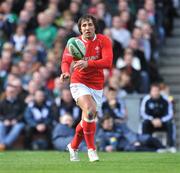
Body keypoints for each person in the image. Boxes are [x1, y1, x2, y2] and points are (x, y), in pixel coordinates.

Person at [60, 14, 113, 162]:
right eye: (84, 25)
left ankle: (73, 146)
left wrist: (87, 63)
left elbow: (108, 62)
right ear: (80, 29)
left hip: (96, 85)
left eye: (89, 24)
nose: (87, 28)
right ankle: (91, 149)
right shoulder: (74, 42)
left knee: (88, 118)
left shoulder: (103, 40)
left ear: (94, 27)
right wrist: (65, 72)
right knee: (90, 110)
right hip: (78, 82)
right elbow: (66, 60)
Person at [140, 83, 176, 153]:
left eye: (157, 91)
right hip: (151, 122)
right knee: (145, 123)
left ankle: (170, 146)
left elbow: (170, 113)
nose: (155, 93)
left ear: (159, 91)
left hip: (162, 122)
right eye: (153, 91)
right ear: (150, 91)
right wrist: (152, 120)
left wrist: (161, 120)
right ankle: (146, 146)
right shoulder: (146, 99)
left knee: (170, 123)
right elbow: (143, 113)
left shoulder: (166, 99)